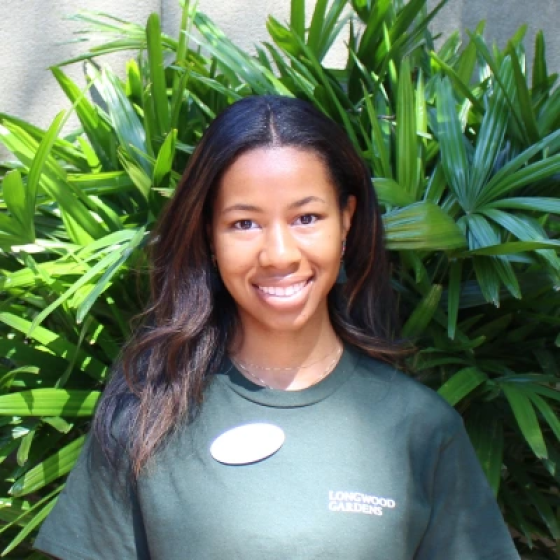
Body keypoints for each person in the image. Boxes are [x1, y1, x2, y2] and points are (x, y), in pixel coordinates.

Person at [34, 95, 520, 559]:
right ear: (209, 235)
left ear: (346, 221)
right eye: (245, 224)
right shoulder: (146, 413)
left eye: (307, 217)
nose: (280, 254)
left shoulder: (421, 428)